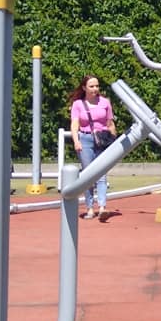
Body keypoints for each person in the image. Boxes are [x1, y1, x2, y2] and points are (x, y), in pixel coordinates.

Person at [68, 74, 117, 221]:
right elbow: (74, 124)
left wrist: (113, 140)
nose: (95, 89)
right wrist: (76, 141)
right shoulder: (78, 104)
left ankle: (102, 207)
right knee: (88, 175)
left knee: (101, 173)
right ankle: (89, 208)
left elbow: (110, 123)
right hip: (85, 139)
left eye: (97, 86)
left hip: (102, 140)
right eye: (91, 86)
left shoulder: (105, 102)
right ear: (84, 88)